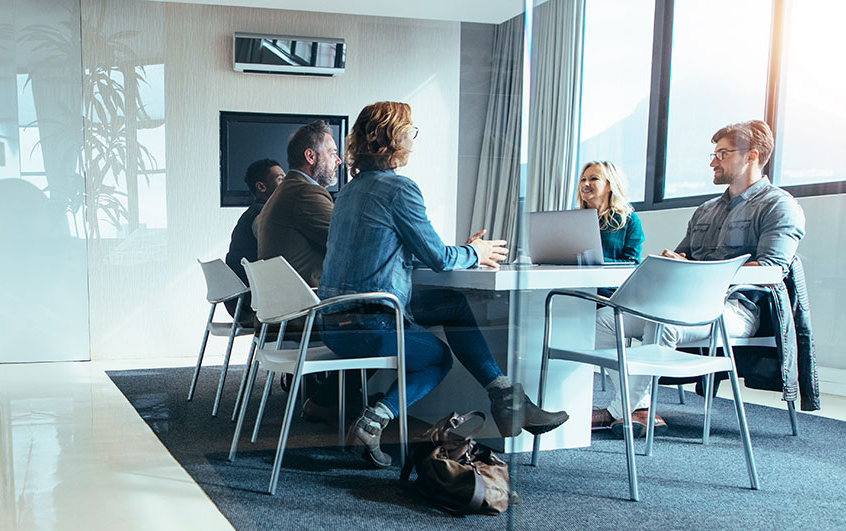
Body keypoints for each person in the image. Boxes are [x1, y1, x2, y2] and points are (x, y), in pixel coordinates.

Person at [317, 101, 569, 468]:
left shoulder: (348, 193)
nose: (413, 138)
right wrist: (474, 251)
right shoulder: (399, 189)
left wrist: (462, 251)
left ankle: (507, 399)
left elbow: (399, 252)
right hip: (369, 324)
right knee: (438, 359)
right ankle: (374, 420)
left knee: (453, 304)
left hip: (331, 323)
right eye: (410, 131)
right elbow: (438, 258)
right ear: (393, 137)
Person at [591, 119, 806, 438]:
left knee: (661, 319)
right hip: (681, 304)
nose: (712, 162)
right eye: (714, 153)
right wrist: (676, 262)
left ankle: (619, 410)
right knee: (605, 321)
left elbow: (772, 269)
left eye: (722, 154)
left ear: (751, 155)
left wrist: (697, 270)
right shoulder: (705, 210)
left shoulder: (780, 206)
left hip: (737, 308)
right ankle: (640, 406)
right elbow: (683, 258)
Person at [255, 120, 341, 287]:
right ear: (310, 156)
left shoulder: (287, 189)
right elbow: (347, 242)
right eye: (332, 153)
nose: (338, 160)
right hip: (309, 305)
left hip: (285, 302)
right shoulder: (305, 193)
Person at [224, 158, 285, 322]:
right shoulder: (262, 216)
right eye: (280, 179)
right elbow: (274, 254)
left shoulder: (253, 212)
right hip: (250, 305)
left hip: (240, 302)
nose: (287, 184)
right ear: (261, 187)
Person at [576, 160, 643, 263]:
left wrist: (594, 261)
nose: (585, 183)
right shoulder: (573, 219)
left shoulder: (628, 220)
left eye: (593, 179)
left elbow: (632, 263)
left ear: (610, 185)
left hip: (610, 278)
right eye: (583, 179)